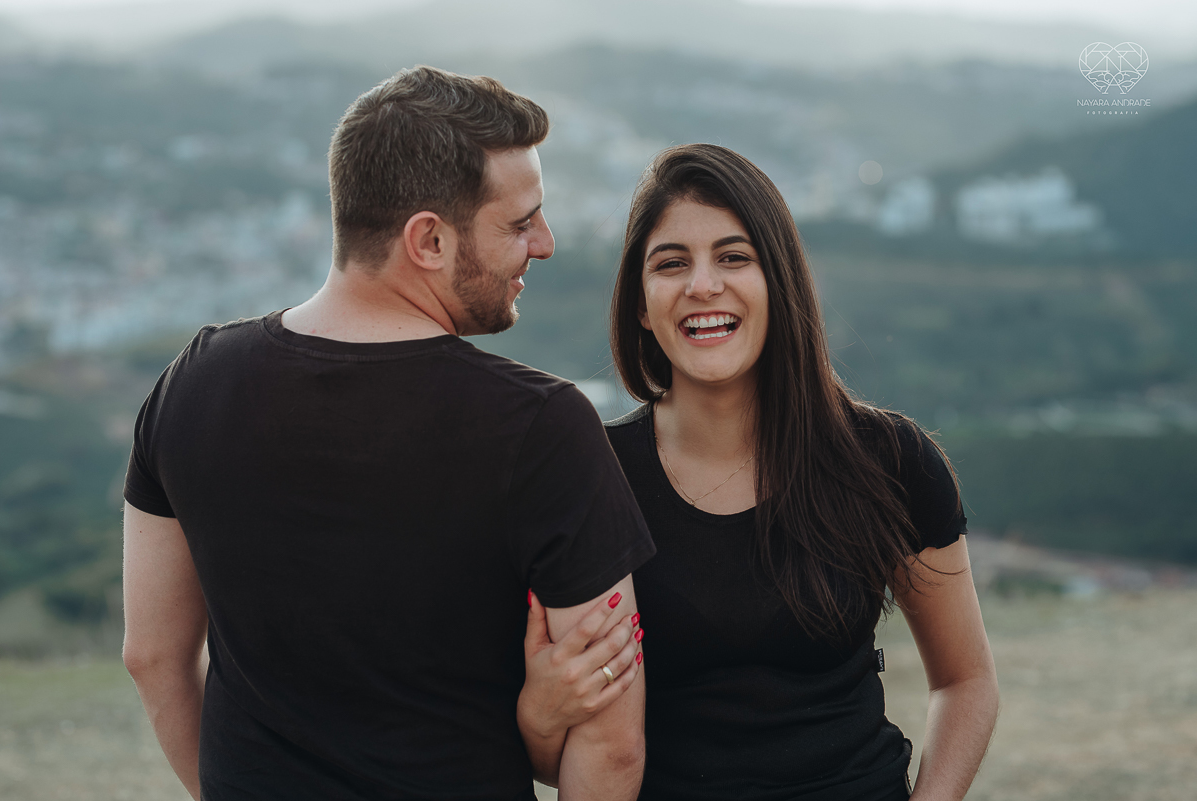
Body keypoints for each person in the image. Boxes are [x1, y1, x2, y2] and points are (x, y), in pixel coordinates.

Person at [120, 66, 655, 801]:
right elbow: (613, 743)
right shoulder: (541, 425)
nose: (545, 243)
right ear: (428, 240)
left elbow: (151, 656)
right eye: (519, 222)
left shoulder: (192, 381)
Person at [517, 144, 999, 800]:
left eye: (734, 257)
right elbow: (571, 757)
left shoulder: (890, 459)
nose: (702, 285)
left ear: (780, 280)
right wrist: (540, 714)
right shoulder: (593, 477)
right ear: (640, 304)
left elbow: (966, 681)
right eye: (671, 263)